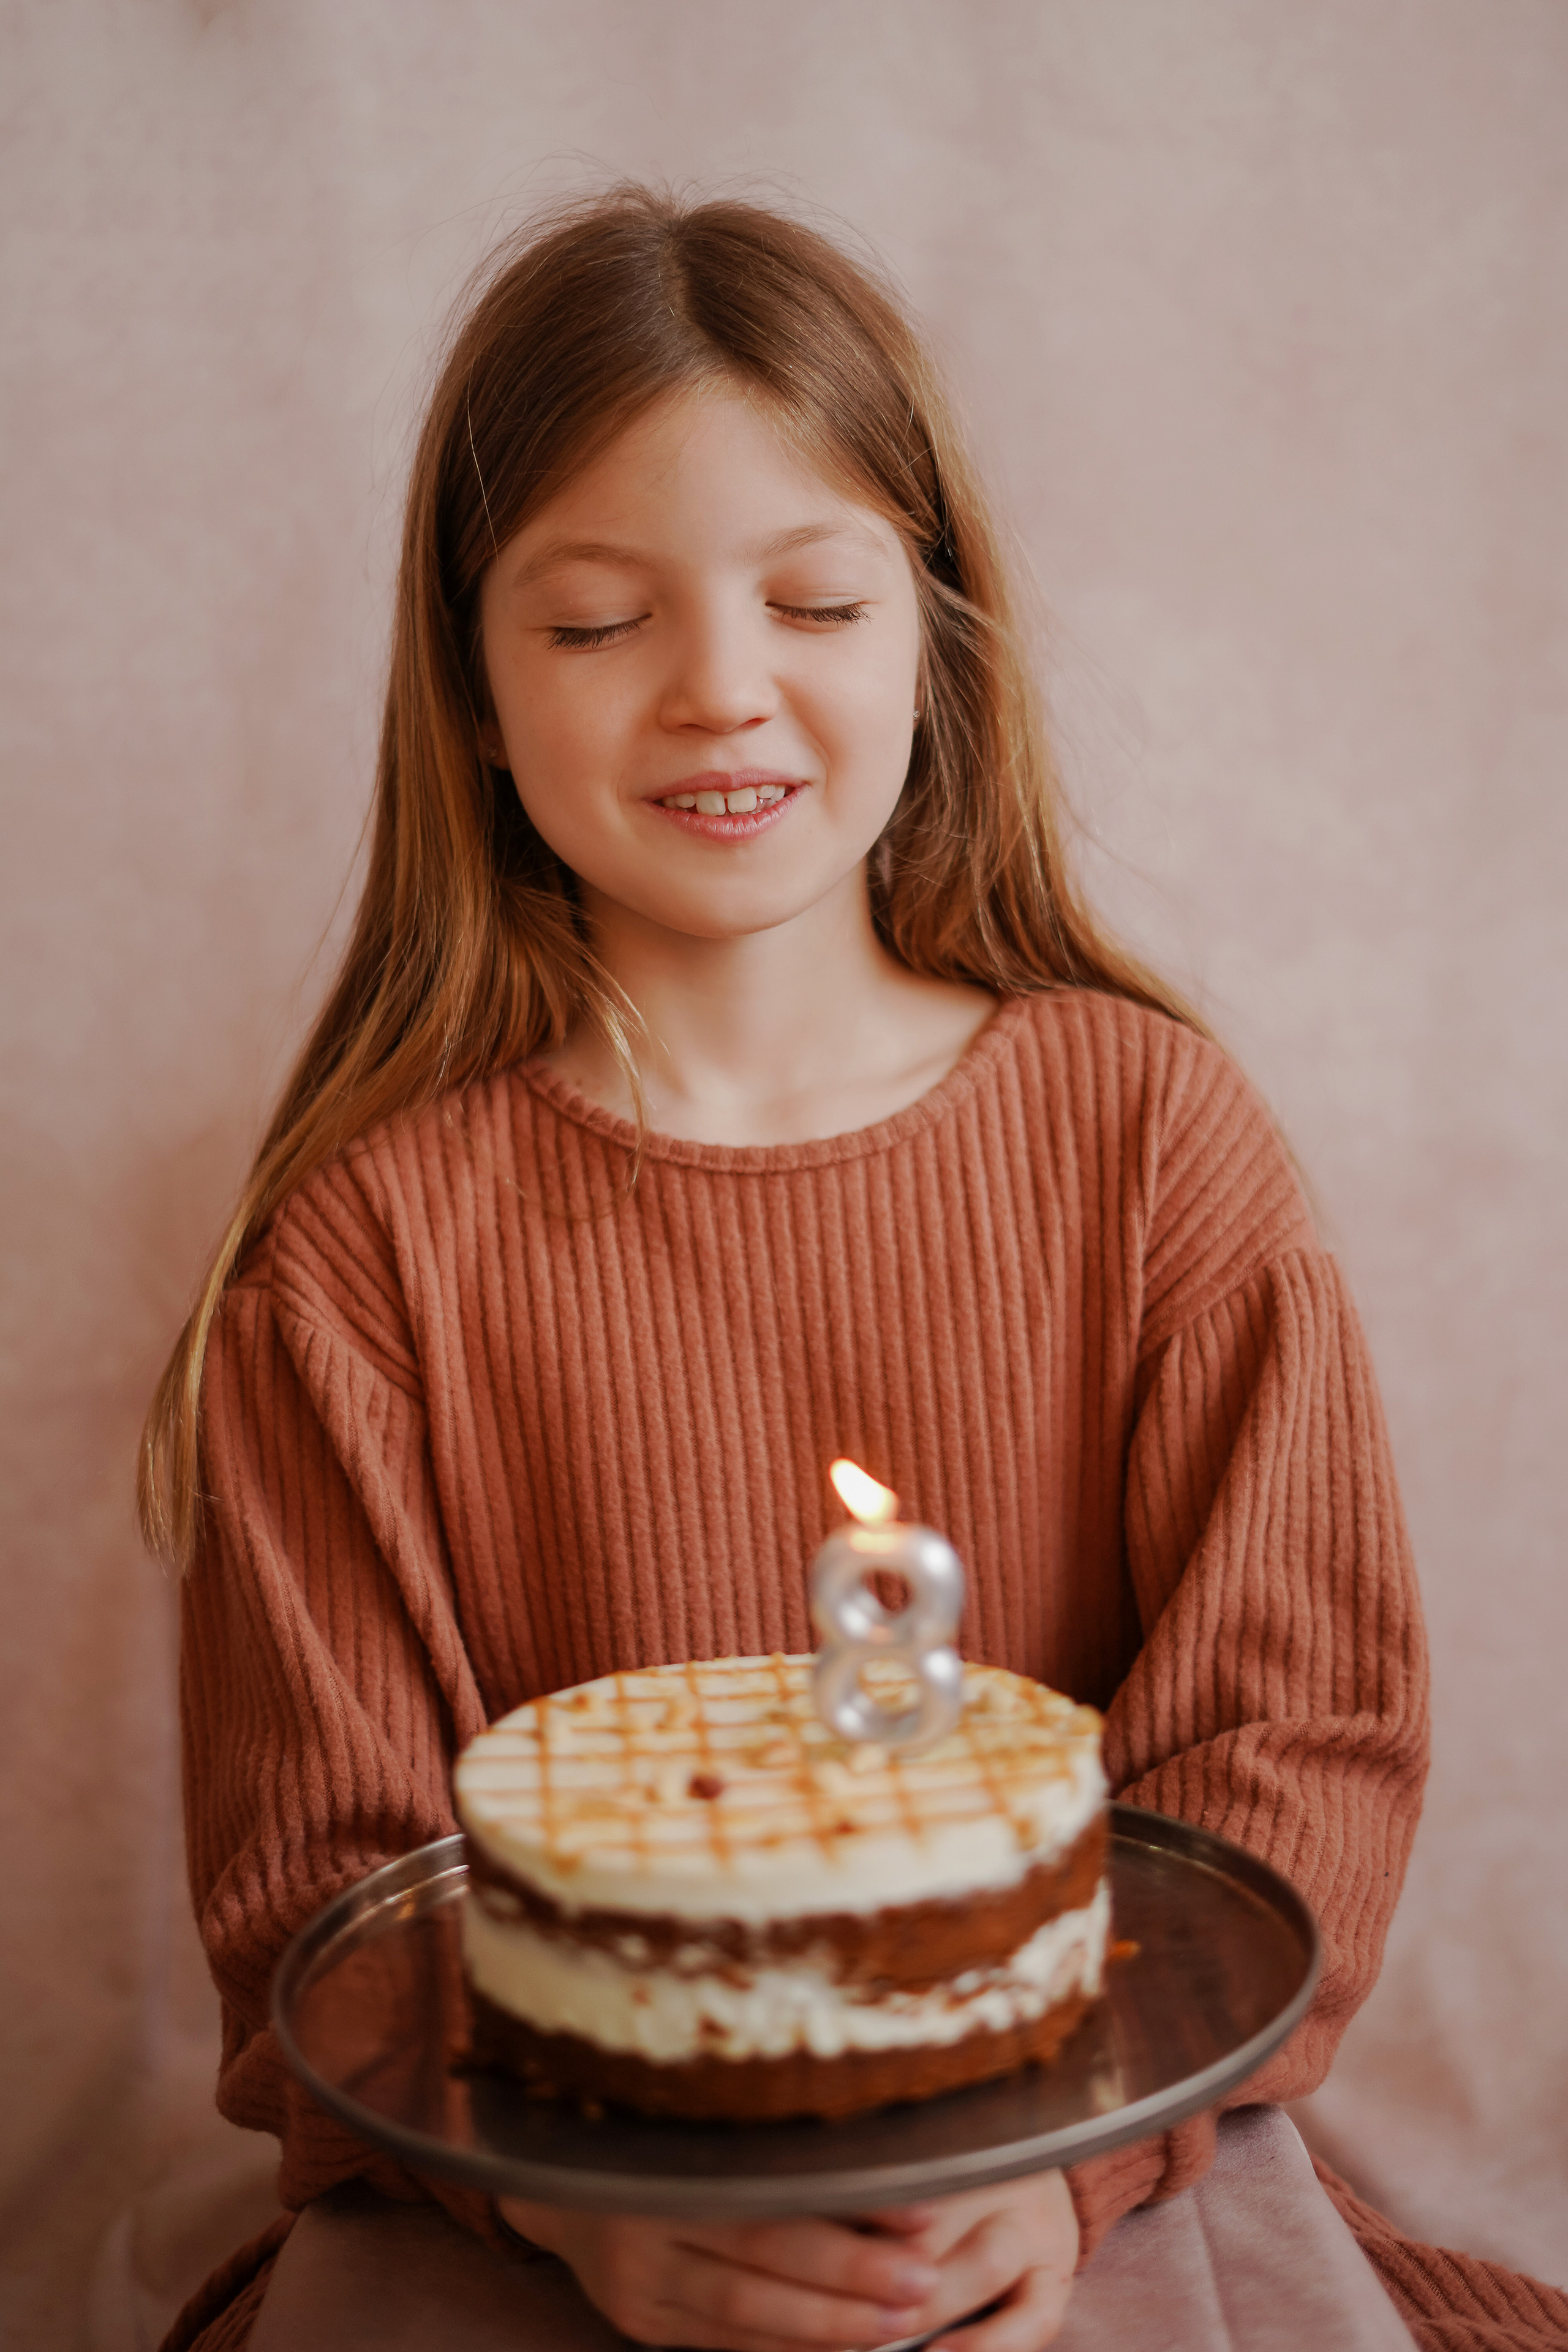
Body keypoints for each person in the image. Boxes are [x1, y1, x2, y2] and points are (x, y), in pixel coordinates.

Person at [143, 185, 1478, 2352]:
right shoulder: (360, 1257)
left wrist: (1057, 2170)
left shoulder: (1152, 1141)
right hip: (529, 2217)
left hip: (1097, 2175)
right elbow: (324, 1894)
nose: (721, 691)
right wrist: (588, 2215)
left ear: (930, 637)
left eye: (817, 600)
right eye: (598, 622)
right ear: (473, 689)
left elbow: (1298, 1741)